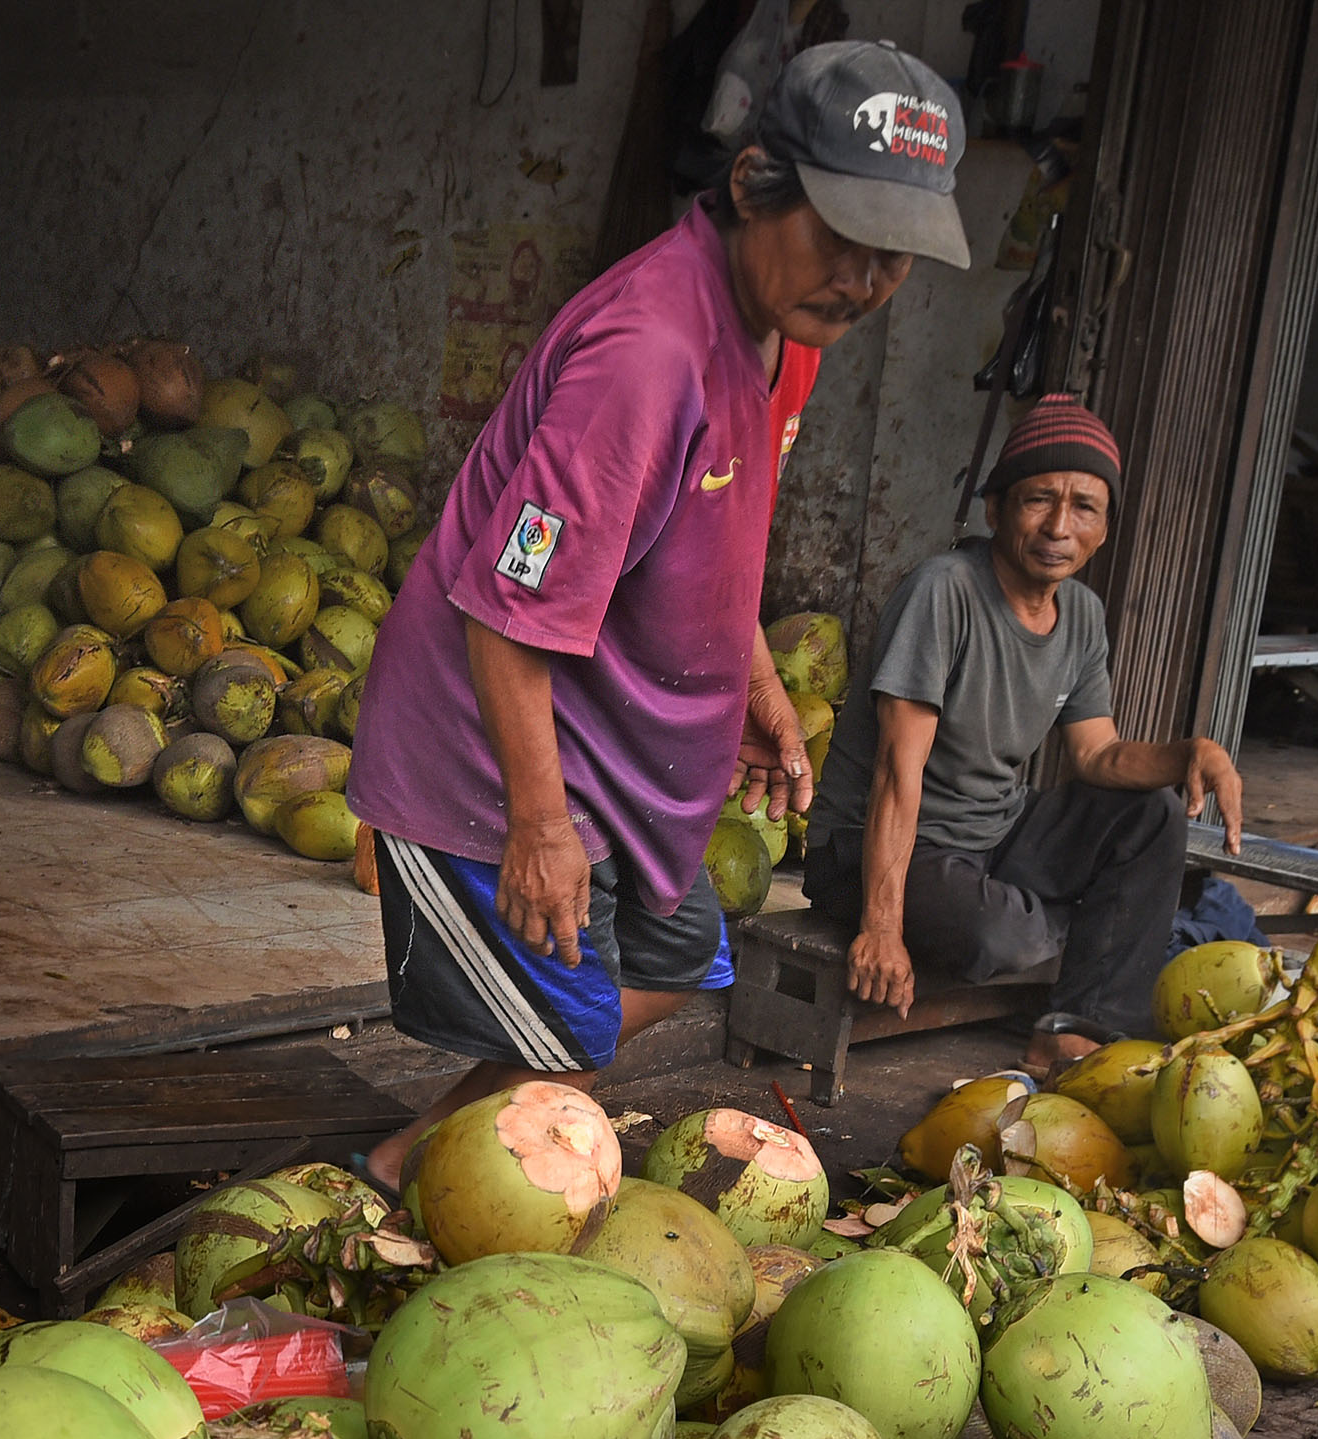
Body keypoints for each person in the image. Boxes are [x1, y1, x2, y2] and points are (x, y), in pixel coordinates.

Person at [349, 40, 970, 1188]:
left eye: (895, 257)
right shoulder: (647, 355)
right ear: (750, 187)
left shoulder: (776, 333)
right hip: (490, 772)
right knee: (568, 1059)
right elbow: (504, 612)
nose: (867, 281)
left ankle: (413, 1158)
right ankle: (398, 1182)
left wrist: (757, 689)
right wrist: (538, 828)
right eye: (842, 239)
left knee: (688, 959)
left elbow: (695, 544)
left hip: (623, 772)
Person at [805, 398, 1245, 1074]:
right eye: (1039, 499)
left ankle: (1074, 1033)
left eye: (1085, 507)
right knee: (998, 936)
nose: (1059, 527)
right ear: (996, 508)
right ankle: (1078, 926)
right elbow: (897, 771)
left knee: (1152, 815)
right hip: (877, 843)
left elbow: (1098, 755)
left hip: (991, 831)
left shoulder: (1082, 616)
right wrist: (882, 925)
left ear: (1105, 526)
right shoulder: (944, 590)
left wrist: (1191, 753)